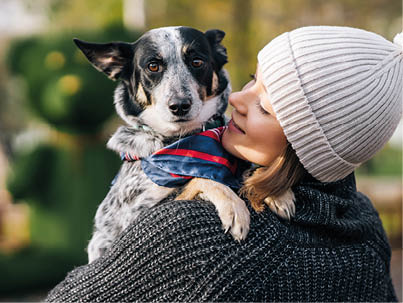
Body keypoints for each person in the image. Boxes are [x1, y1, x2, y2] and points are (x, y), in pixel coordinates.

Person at [46, 26, 402, 302]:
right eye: (252, 79)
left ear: (307, 143)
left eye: (266, 107)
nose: (234, 98)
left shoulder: (200, 236)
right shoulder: (365, 225)